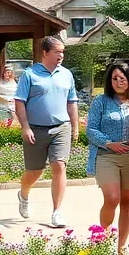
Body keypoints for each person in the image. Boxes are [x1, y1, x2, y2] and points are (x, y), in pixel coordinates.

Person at [15, 37, 80, 228]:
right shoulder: (29, 75)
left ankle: (56, 212)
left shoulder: (66, 74)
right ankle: (24, 193)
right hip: (35, 129)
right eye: (57, 52)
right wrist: (25, 127)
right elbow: (20, 102)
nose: (61, 55)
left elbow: (72, 102)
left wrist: (75, 127)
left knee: (59, 166)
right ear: (45, 52)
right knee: (34, 172)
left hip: (61, 127)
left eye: (63, 52)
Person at [87, 61, 129, 253]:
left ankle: (121, 248)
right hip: (106, 156)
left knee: (127, 201)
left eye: (121, 78)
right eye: (114, 78)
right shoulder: (101, 101)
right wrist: (109, 143)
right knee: (112, 198)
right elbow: (91, 129)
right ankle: (103, 240)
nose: (118, 82)